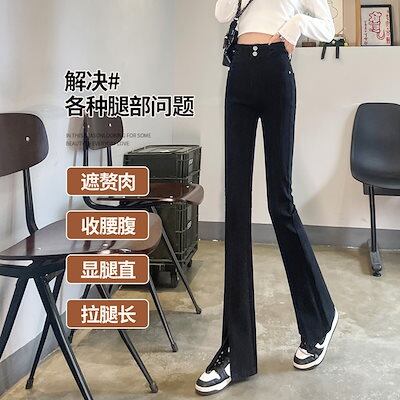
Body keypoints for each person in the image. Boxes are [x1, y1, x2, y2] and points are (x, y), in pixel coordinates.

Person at [195, 0, 339, 395]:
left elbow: (327, 28)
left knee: (280, 202)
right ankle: (234, 351)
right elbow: (222, 14)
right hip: (240, 73)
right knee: (236, 207)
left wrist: (295, 24)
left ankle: (319, 319)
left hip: (276, 71)